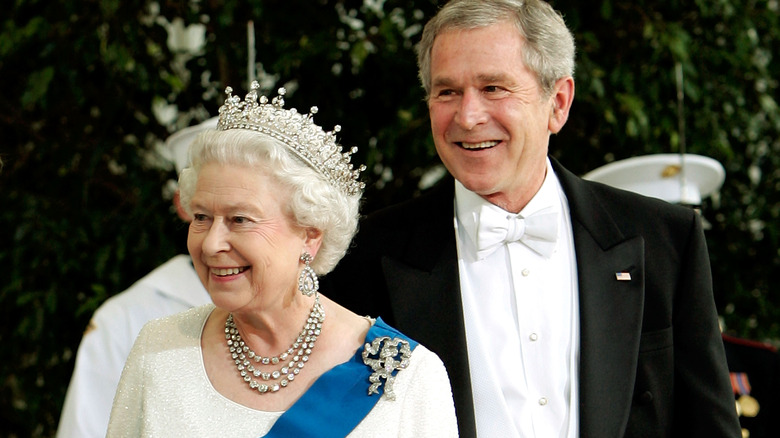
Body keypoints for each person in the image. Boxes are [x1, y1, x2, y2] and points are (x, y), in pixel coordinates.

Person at [322, 0, 742, 436]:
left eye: (493, 88)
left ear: (557, 103)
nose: (467, 117)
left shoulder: (664, 240)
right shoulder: (363, 257)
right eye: (447, 91)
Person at [106, 82, 457, 437]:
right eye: (201, 217)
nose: (211, 244)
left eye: (240, 219)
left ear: (311, 234)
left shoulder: (406, 377)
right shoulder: (160, 349)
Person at [56, 119, 216, 438]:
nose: (219, 238)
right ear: (182, 205)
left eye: (245, 215)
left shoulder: (326, 325)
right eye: (205, 212)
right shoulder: (124, 321)